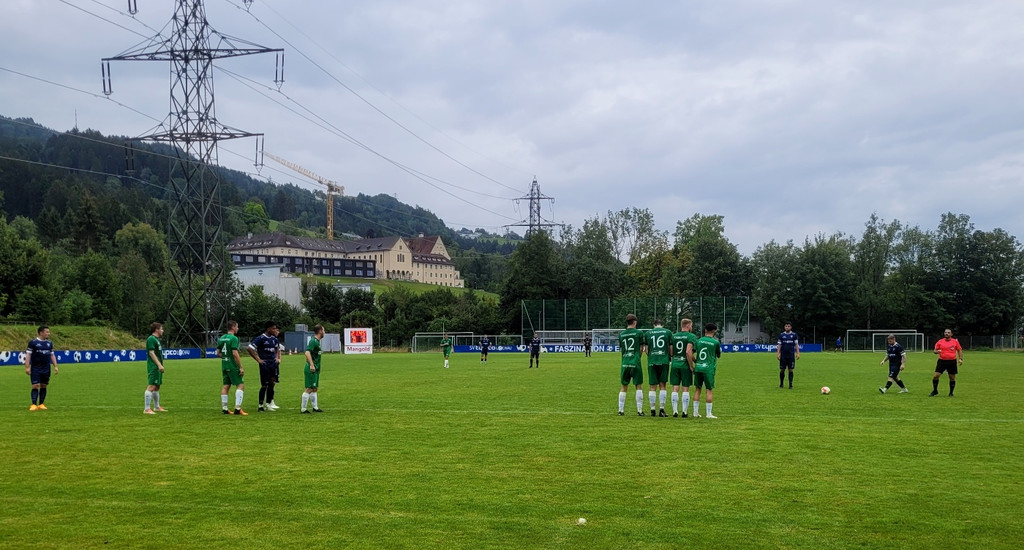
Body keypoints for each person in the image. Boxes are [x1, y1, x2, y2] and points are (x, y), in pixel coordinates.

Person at [248, 321, 282, 412]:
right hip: (265, 364)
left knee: (272, 383)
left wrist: (277, 358)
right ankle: (260, 405)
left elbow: (277, 350)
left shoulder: (274, 339)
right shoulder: (261, 338)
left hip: (273, 364)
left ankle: (268, 403)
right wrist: (258, 360)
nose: (275, 330)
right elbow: (250, 348)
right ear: (268, 329)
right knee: (264, 385)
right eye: (273, 328)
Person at [216, 320, 247, 416]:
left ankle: (224, 409)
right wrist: (240, 366)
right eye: (237, 327)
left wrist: (225, 357)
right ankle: (237, 408)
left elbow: (218, 353)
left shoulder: (221, 338)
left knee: (226, 386)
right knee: (240, 385)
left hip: (224, 365)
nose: (238, 329)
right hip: (232, 365)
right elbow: (235, 353)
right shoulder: (233, 338)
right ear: (233, 327)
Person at [692, 322, 722, 419]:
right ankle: (708, 414)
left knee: (697, 389)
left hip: (698, 367)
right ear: (714, 331)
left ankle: (695, 412)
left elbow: (691, 353)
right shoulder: (715, 342)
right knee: (709, 390)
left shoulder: (699, 341)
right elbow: (718, 355)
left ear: (705, 330)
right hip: (708, 368)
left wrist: (695, 361)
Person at [618, 314, 646, 416]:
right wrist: (638, 357)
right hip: (635, 362)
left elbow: (622, 349)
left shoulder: (621, 334)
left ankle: (621, 410)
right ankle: (639, 410)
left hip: (625, 363)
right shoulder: (639, 333)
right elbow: (641, 348)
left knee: (624, 386)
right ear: (634, 322)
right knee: (638, 386)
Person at [645, 319, 674, 417]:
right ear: (662, 325)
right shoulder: (668, 332)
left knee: (652, 386)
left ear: (654, 325)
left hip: (652, 361)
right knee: (662, 385)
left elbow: (646, 350)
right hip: (664, 361)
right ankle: (661, 410)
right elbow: (671, 350)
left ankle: (652, 410)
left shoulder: (648, 333)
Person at [25, 325, 58, 411]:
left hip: (46, 367)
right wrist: (27, 367)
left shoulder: (49, 343)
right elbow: (28, 355)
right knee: (35, 385)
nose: (48, 333)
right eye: (47, 332)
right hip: (36, 367)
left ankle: (41, 404)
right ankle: (33, 404)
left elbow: (52, 355)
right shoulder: (33, 342)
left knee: (44, 385)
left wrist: (55, 366)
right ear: (41, 333)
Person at [670, 318, 698, 418]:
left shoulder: (674, 336)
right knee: (685, 388)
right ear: (687, 326)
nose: (692, 327)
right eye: (691, 325)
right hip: (685, 365)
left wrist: (695, 360)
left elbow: (671, 352)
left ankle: (675, 411)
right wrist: (692, 365)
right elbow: (688, 352)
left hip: (675, 364)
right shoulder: (691, 336)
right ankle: (684, 412)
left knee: (675, 388)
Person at [931, 329, 963, 397]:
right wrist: (937, 352)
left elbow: (959, 350)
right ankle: (935, 391)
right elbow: (934, 351)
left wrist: (960, 359)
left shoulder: (955, 342)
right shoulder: (940, 341)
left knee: (952, 377)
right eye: (945, 332)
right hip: (942, 361)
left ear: (951, 334)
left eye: (948, 333)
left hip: (952, 361)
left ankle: (951, 393)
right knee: (935, 376)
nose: (946, 334)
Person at [144, 322, 167, 414]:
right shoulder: (151, 339)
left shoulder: (156, 339)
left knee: (157, 386)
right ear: (156, 330)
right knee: (151, 386)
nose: (162, 330)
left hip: (157, 366)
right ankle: (147, 409)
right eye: (161, 329)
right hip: (153, 366)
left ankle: (157, 407)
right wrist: (159, 365)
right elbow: (151, 353)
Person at [301, 324, 325, 413]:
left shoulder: (317, 341)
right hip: (311, 369)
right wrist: (311, 365)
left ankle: (315, 407)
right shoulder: (313, 341)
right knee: (309, 388)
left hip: (316, 368)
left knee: (314, 388)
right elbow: (307, 353)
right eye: (324, 330)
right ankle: (303, 409)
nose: (324, 332)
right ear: (320, 331)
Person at [777, 322, 800, 389]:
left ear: (791, 327)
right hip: (783, 355)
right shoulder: (781, 335)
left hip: (791, 355)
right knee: (782, 369)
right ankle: (781, 384)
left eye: (788, 326)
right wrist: (778, 353)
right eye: (786, 326)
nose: (787, 327)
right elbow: (779, 345)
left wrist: (798, 353)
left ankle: (790, 384)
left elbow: (796, 345)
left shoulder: (794, 335)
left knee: (790, 370)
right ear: (784, 327)